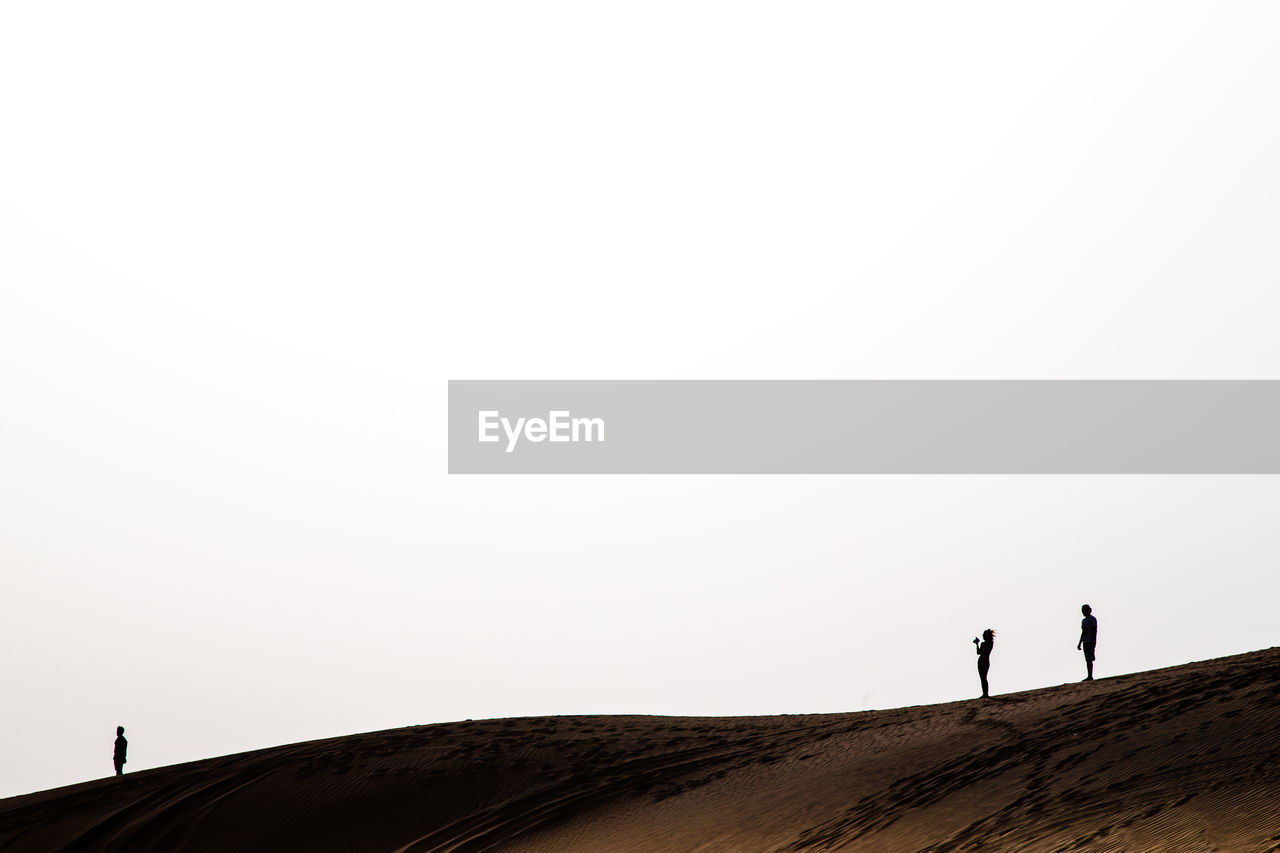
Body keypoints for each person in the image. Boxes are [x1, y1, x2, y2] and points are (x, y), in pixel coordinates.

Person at [972, 628, 995, 698]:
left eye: (983, 635)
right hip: (981, 660)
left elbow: (984, 651)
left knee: (984, 677)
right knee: (982, 678)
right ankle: (984, 693)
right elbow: (978, 653)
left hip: (985, 660)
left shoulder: (989, 643)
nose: (982, 636)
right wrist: (977, 644)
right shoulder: (983, 643)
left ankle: (986, 693)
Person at [1077, 604, 1098, 681]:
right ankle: (1089, 675)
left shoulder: (1093, 619)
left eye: (1084, 611)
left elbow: (1094, 631)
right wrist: (1080, 643)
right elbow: (1083, 632)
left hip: (1090, 641)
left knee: (1090, 659)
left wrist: (1094, 641)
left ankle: (1090, 676)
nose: (1083, 612)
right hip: (1085, 642)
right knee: (1087, 659)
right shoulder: (1084, 621)